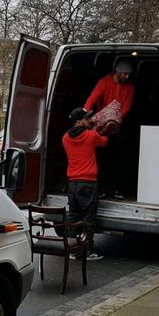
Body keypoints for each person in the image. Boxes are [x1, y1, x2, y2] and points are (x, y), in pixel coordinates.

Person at [82, 59, 135, 198]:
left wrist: (116, 119)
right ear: (117, 72)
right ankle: (104, 188)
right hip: (102, 127)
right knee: (102, 157)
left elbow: (127, 106)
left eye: (128, 74)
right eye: (125, 74)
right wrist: (84, 112)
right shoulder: (104, 82)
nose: (127, 77)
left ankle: (119, 188)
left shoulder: (129, 87)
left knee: (119, 157)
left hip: (118, 126)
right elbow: (93, 97)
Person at [62, 107, 108, 260]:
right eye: (86, 118)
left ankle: (74, 250)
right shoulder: (91, 136)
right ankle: (88, 251)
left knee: (74, 217)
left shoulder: (65, 138)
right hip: (88, 183)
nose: (90, 120)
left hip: (73, 183)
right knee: (89, 218)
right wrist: (99, 129)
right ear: (78, 122)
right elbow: (104, 141)